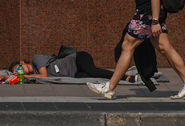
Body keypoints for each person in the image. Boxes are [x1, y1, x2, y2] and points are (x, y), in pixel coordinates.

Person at [86, 0, 185, 100]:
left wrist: (155, 21)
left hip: (147, 14)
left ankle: (109, 88)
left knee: (127, 45)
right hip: (150, 12)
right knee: (165, 47)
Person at [0, 51, 137, 84]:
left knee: (92, 70)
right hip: (75, 74)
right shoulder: (34, 75)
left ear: (22, 61)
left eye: (19, 67)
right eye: (17, 72)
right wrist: (7, 77)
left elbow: (44, 76)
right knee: (93, 78)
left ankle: (125, 77)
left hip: (78, 59)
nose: (21, 71)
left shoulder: (36, 59)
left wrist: (22, 76)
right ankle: (117, 79)